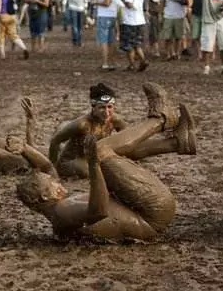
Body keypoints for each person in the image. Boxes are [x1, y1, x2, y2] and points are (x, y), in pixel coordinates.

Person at [17, 83, 197, 242]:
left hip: (145, 211)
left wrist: (25, 148)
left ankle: (177, 142)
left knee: (108, 149)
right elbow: (99, 212)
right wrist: (94, 166)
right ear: (44, 197)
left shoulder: (59, 205)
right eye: (51, 182)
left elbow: (48, 166)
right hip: (151, 215)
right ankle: (160, 118)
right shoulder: (63, 212)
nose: (55, 180)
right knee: (101, 150)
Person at [49, 83, 128, 179]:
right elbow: (55, 141)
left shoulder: (115, 120)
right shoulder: (82, 124)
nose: (107, 112)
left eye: (109, 107)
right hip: (73, 160)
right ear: (94, 108)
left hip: (96, 157)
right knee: (93, 173)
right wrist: (52, 169)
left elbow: (127, 137)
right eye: (102, 107)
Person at [120, 0, 148, 71]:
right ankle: (143, 59)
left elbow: (129, 3)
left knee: (128, 45)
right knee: (137, 43)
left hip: (130, 20)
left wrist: (122, 0)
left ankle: (132, 64)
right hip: (140, 20)